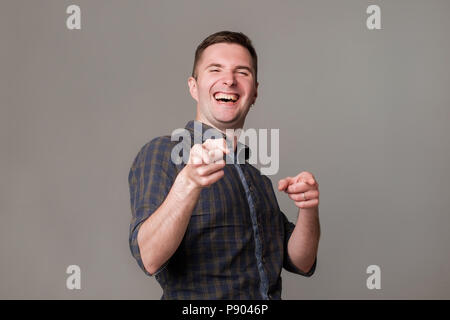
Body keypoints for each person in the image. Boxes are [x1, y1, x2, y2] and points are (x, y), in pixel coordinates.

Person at [128, 31, 320, 300]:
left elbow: (300, 261)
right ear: (193, 87)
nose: (229, 80)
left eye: (242, 72)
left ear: (254, 92)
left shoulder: (256, 177)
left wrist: (308, 209)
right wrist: (188, 183)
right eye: (215, 69)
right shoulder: (163, 153)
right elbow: (148, 257)